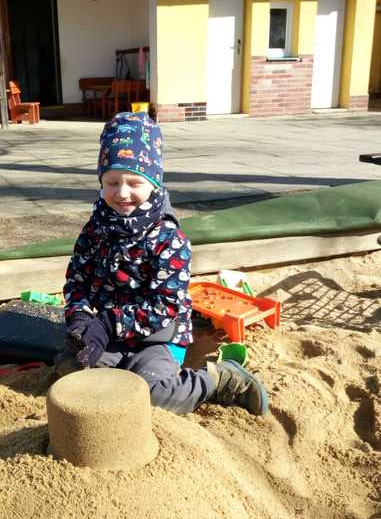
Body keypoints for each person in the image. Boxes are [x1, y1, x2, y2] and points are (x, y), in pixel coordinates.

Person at [55, 112, 268, 416]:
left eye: (134, 182)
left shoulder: (169, 239)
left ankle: (219, 380)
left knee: (154, 395)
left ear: (154, 183)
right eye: (112, 182)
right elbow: (77, 282)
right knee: (70, 369)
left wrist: (107, 324)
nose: (122, 193)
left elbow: (165, 306)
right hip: (108, 335)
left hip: (155, 337)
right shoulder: (94, 229)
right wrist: (79, 320)